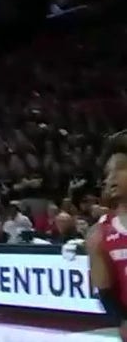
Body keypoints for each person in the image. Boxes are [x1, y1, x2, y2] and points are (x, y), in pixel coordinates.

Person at [86, 132, 127, 341]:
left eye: (117, 170)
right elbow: (106, 293)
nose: (109, 180)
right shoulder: (98, 236)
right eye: (106, 175)